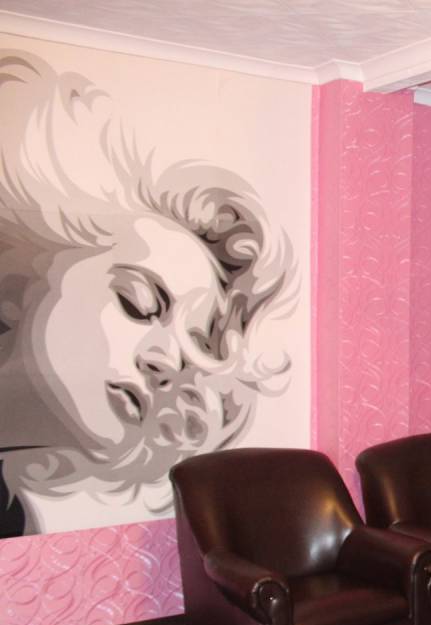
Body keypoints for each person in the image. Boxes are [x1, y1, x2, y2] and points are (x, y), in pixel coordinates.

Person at [0, 51, 298, 536]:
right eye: (139, 305)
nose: (168, 362)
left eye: (192, 345)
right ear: (24, 277)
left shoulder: (15, 517)